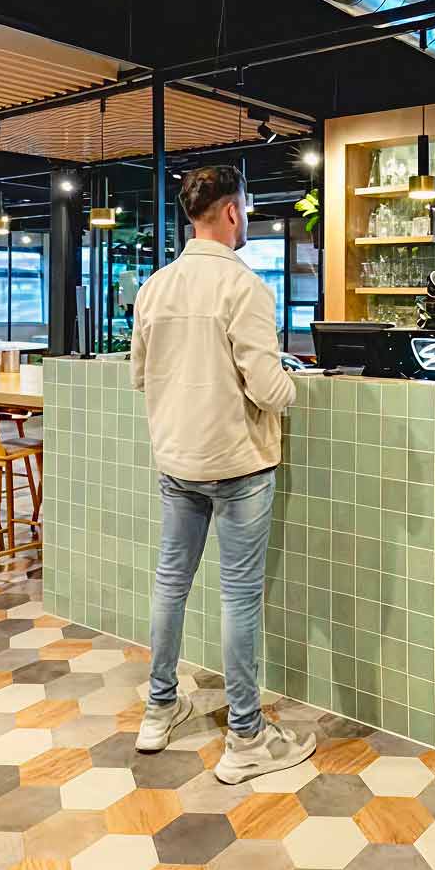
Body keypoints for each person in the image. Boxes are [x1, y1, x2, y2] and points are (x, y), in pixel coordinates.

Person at [130, 165, 314, 783]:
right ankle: (245, 739)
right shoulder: (245, 289)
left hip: (177, 458)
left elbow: (139, 375)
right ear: (232, 212)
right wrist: (293, 386)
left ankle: (158, 709)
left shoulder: (154, 287)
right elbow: (267, 387)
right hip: (237, 464)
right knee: (238, 597)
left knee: (170, 583)